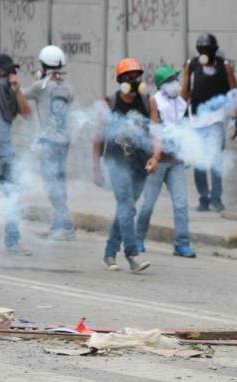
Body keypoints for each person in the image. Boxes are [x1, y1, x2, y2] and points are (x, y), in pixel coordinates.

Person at [93, 58, 160, 272]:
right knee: (127, 206)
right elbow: (97, 139)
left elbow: (157, 134)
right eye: (129, 77)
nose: (134, 81)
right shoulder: (109, 103)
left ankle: (109, 253)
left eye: (137, 76)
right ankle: (132, 255)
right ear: (120, 79)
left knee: (126, 209)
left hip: (140, 164)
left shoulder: (148, 101)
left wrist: (155, 157)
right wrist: (96, 169)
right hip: (116, 161)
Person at [135, 65, 196, 258]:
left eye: (175, 80)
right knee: (148, 204)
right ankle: (137, 239)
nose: (175, 84)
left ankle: (181, 244)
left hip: (176, 161)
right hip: (158, 161)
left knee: (181, 204)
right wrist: (155, 155)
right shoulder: (155, 102)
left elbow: (187, 130)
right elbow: (154, 130)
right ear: (162, 85)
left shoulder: (182, 103)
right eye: (170, 81)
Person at [181, 33, 237, 212]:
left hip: (216, 120)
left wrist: (235, 117)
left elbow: (235, 93)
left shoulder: (225, 66)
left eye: (208, 50)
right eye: (202, 50)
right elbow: (184, 92)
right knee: (199, 161)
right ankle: (204, 198)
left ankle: (216, 198)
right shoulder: (191, 65)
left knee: (215, 160)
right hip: (195, 120)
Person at [25, 45, 75, 240]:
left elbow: (23, 95)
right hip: (64, 141)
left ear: (45, 66)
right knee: (60, 183)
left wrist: (37, 79)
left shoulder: (40, 87)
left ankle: (66, 224)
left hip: (49, 141)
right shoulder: (68, 88)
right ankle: (57, 226)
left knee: (50, 184)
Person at [0, 54, 32, 256]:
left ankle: (12, 241)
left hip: (7, 154)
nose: (11, 75)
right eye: (7, 71)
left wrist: (18, 89)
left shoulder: (11, 93)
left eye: (13, 71)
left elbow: (27, 114)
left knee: (14, 197)